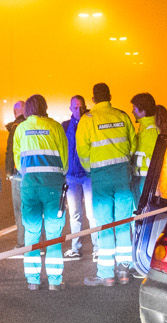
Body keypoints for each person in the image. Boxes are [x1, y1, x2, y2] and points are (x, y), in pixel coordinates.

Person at [75, 82, 136, 286]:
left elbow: (82, 151)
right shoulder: (122, 116)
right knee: (123, 223)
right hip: (122, 175)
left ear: (93, 99)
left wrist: (90, 169)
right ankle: (125, 271)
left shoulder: (88, 120)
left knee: (105, 226)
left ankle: (106, 274)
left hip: (100, 177)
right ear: (110, 96)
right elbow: (133, 145)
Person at [12, 94, 70, 289]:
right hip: (53, 185)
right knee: (54, 234)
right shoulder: (55, 127)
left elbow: (17, 160)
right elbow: (64, 159)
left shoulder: (21, 129)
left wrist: (29, 174)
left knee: (31, 233)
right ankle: (55, 281)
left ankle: (33, 280)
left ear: (27, 110)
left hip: (29, 185)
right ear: (44, 107)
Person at [61, 94, 91, 259]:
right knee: (75, 214)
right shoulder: (65, 126)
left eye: (80, 106)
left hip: (88, 175)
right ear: (70, 108)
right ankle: (75, 247)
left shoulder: (90, 122)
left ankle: (97, 248)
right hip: (72, 176)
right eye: (75, 107)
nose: (78, 110)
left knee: (91, 214)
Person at [130, 92, 162, 203]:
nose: (132, 111)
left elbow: (156, 159)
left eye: (134, 108)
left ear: (143, 111)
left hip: (146, 178)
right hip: (141, 177)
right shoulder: (144, 128)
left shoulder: (151, 131)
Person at [4, 99, 27, 247]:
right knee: (33, 209)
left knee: (19, 210)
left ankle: (22, 242)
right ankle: (36, 242)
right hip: (33, 173)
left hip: (18, 174)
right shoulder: (31, 125)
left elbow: (11, 151)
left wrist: (8, 172)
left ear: (15, 112)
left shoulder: (16, 127)